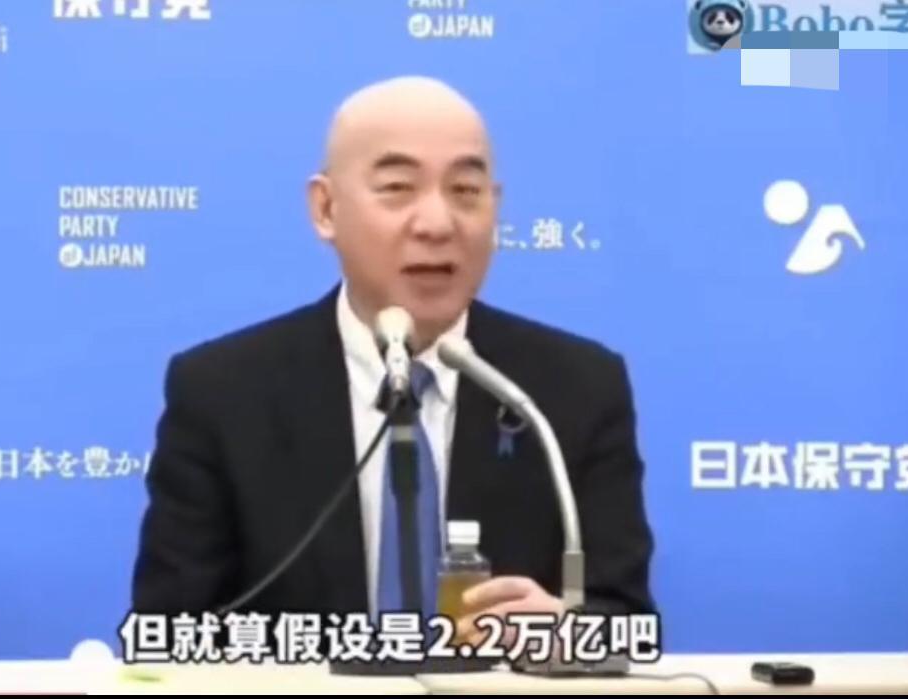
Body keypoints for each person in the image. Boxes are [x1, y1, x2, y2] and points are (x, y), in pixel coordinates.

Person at [130, 76, 655, 646]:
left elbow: (626, 622)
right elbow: (168, 633)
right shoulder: (223, 393)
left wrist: (569, 634)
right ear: (326, 209)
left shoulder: (574, 389)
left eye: (465, 190)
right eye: (399, 188)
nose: (438, 224)